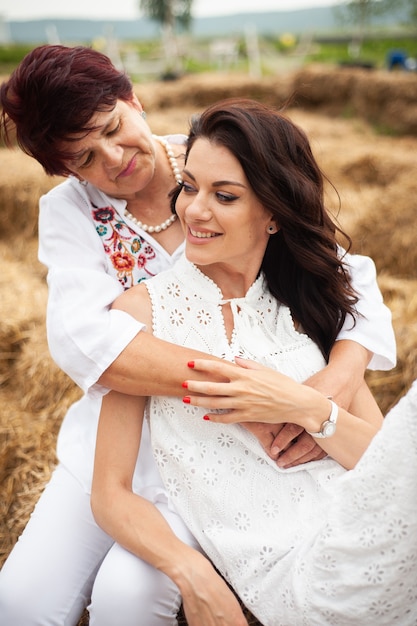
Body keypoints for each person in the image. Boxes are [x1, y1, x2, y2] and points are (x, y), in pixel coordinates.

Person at [0, 46, 395, 626]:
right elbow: (86, 341)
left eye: (113, 128)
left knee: (128, 596)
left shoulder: (217, 163)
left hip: (224, 451)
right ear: (65, 170)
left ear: (133, 99)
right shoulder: (71, 214)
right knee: (21, 603)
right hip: (120, 447)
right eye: (84, 157)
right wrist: (253, 392)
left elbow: (342, 277)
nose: (113, 158)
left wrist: (325, 393)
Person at [90, 99, 413, 626]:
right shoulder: (140, 318)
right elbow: (109, 493)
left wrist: (307, 406)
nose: (194, 210)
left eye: (225, 196)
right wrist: (194, 576)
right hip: (295, 574)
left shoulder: (313, 304)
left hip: (363, 527)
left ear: (274, 215)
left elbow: (378, 466)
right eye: (190, 186)